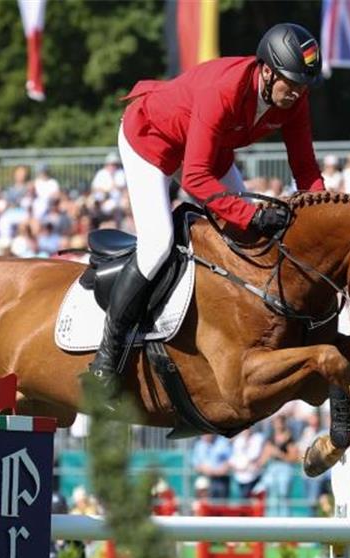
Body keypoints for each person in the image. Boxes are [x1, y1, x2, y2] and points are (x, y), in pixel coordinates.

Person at [87, 23, 327, 395]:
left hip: (202, 149)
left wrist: (322, 212)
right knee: (158, 244)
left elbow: (306, 169)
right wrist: (252, 214)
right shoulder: (225, 89)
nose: (296, 93)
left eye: (303, 85)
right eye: (291, 83)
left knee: (250, 236)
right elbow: (196, 178)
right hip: (151, 141)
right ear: (267, 70)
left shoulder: (293, 98)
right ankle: (107, 356)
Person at [190, 433, 233, 499]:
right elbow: (195, 464)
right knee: (201, 488)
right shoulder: (199, 445)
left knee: (220, 501)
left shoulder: (222, 442)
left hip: (220, 479)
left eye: (207, 433)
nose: (205, 436)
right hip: (204, 477)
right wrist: (205, 469)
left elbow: (230, 460)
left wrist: (218, 471)